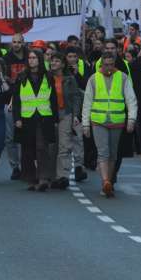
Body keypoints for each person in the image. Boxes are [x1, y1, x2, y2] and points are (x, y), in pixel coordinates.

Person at [82, 52, 137, 198]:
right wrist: (85, 124)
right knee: (103, 152)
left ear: (115, 64)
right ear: (101, 65)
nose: (108, 67)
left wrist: (131, 119)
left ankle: (109, 182)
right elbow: (87, 103)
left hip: (117, 121)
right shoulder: (93, 79)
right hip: (98, 121)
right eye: (105, 65)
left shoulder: (123, 78)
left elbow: (131, 100)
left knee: (113, 154)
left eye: (111, 64)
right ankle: (105, 181)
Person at [12, 49, 58, 191]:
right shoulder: (21, 77)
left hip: (44, 117)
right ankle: (31, 178)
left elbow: (53, 98)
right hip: (27, 118)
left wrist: (55, 118)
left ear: (39, 59)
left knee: (42, 147)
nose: (31, 60)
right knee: (28, 149)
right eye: (30, 58)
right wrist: (17, 118)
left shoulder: (48, 76)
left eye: (34, 58)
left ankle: (43, 178)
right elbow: (17, 100)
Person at [49, 52, 85, 189]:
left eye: (57, 61)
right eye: (52, 61)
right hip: (49, 114)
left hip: (66, 113)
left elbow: (76, 97)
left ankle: (62, 176)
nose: (54, 63)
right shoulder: (46, 78)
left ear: (63, 64)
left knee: (64, 146)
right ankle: (51, 175)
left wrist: (76, 115)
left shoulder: (70, 79)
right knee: (52, 146)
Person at [1, 33, 28, 179]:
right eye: (14, 42)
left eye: (19, 42)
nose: (16, 44)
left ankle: (27, 165)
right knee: (10, 137)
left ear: (23, 43)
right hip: (9, 102)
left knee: (26, 137)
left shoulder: (30, 58)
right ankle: (15, 166)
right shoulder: (6, 60)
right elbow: (4, 81)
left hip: (28, 102)